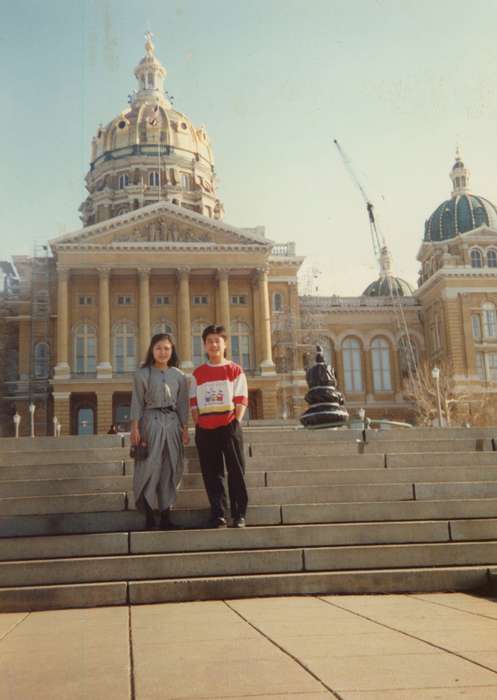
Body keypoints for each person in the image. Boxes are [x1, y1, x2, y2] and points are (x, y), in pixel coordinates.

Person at [189, 324, 249, 528]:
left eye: (217, 341)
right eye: (209, 341)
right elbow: (193, 404)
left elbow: (241, 400)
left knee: (236, 471)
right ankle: (219, 514)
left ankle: (239, 514)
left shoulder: (235, 370)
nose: (213, 344)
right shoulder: (198, 374)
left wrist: (234, 423)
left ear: (224, 344)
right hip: (205, 429)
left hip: (229, 427)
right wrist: (201, 424)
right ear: (204, 346)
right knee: (212, 474)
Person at [130, 333, 189, 530]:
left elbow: (182, 405)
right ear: (152, 351)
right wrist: (135, 428)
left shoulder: (180, 376)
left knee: (170, 467)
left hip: (173, 424)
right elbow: (137, 401)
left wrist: (185, 428)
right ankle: (149, 516)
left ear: (172, 351)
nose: (162, 352)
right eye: (158, 348)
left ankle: (166, 516)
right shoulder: (142, 374)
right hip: (150, 422)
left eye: (166, 348)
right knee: (149, 467)